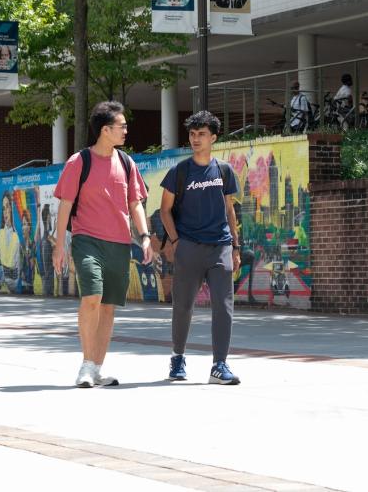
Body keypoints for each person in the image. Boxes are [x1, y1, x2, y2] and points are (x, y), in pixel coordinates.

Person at [52, 101, 152, 388]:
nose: (125, 130)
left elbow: (136, 203)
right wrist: (60, 245)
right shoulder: (79, 162)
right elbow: (65, 205)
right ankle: (85, 364)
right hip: (87, 241)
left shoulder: (127, 163)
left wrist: (144, 236)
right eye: (121, 126)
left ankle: (97, 367)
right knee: (92, 297)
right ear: (105, 130)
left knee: (108, 307)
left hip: (119, 243)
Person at [159, 111, 242, 385]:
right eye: (193, 134)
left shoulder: (224, 170)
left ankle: (219, 364)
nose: (196, 139)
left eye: (202, 134)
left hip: (220, 247)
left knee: (224, 305)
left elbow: (230, 210)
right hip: (189, 248)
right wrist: (175, 241)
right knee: (183, 306)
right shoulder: (179, 171)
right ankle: (178, 357)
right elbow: (165, 210)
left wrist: (235, 247)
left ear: (213, 138)